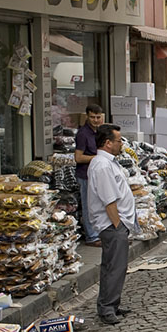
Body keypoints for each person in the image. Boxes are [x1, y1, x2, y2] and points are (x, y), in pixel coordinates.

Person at [87, 124, 140, 324]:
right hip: (112, 224)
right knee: (114, 266)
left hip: (116, 223)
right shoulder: (102, 165)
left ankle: (112, 303)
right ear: (108, 143)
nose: (121, 144)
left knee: (115, 265)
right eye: (118, 141)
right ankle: (107, 307)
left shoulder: (108, 163)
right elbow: (108, 199)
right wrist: (118, 225)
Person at [74, 104, 103, 245]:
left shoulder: (99, 132)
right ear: (87, 116)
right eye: (92, 117)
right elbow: (78, 157)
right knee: (88, 206)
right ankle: (91, 237)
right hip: (85, 175)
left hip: (97, 174)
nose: (96, 120)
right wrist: (98, 158)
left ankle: (98, 233)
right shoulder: (83, 134)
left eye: (98, 117)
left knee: (97, 205)